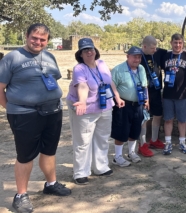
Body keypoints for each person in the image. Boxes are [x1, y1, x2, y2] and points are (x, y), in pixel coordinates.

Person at [0, 23, 71, 213]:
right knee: (25, 156)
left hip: (53, 111)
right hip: (24, 114)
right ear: (26, 35)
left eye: (42, 39)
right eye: (34, 37)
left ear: (47, 41)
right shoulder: (12, 58)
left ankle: (51, 184)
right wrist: (12, 109)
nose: (38, 42)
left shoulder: (49, 56)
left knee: (49, 151)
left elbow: (52, 80)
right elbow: (0, 89)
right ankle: (21, 195)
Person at [66, 38, 125, 185]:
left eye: (90, 49)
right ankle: (80, 172)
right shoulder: (79, 69)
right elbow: (82, 86)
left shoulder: (102, 64)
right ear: (80, 54)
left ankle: (100, 166)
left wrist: (117, 97)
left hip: (105, 106)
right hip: (86, 108)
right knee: (83, 141)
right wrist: (82, 101)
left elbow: (109, 82)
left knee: (102, 137)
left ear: (95, 50)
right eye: (84, 50)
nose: (88, 52)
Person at [162, 33, 186, 155]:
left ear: (183, 44)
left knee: (182, 120)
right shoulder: (165, 55)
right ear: (171, 43)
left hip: (182, 95)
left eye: (180, 43)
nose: (177, 45)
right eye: (175, 42)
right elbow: (152, 49)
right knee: (168, 119)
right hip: (168, 94)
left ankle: (182, 142)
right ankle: (168, 143)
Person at [110, 46, 149, 166]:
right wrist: (117, 98)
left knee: (135, 130)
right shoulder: (118, 69)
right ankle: (117, 157)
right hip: (123, 105)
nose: (137, 60)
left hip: (138, 104)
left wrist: (147, 100)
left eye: (139, 57)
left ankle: (131, 152)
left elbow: (145, 85)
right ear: (128, 56)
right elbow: (112, 86)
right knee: (121, 131)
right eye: (134, 57)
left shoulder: (141, 69)